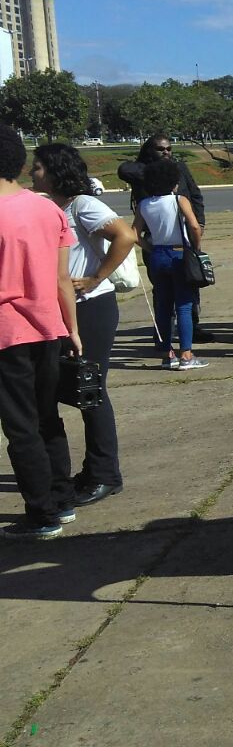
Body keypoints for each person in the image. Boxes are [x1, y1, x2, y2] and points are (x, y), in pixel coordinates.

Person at [32, 144, 137, 506]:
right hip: (66, 310)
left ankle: (106, 474)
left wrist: (95, 277)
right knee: (74, 390)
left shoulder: (83, 205)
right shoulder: (52, 207)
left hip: (92, 307)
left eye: (39, 167)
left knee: (91, 391)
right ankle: (93, 470)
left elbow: (126, 236)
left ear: (56, 169)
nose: (33, 173)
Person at [0, 124, 82, 539]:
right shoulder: (48, 209)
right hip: (48, 325)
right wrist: (73, 328)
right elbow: (62, 279)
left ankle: (42, 513)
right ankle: (62, 499)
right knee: (47, 416)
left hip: (6, 333)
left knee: (20, 426)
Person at [118, 136, 211, 342]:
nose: (167, 152)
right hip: (159, 241)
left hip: (180, 239)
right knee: (164, 295)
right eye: (161, 150)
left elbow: (196, 196)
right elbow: (124, 170)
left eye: (169, 149)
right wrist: (158, 174)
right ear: (149, 151)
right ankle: (166, 337)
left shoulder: (180, 169)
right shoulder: (141, 172)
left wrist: (200, 225)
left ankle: (191, 329)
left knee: (191, 286)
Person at [134, 159, 208, 370]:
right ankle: (186, 354)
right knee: (184, 305)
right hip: (178, 253)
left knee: (163, 306)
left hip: (158, 254)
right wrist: (196, 246)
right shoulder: (178, 200)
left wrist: (149, 248)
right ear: (172, 182)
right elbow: (194, 226)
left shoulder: (144, 204)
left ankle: (168, 352)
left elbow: (134, 233)